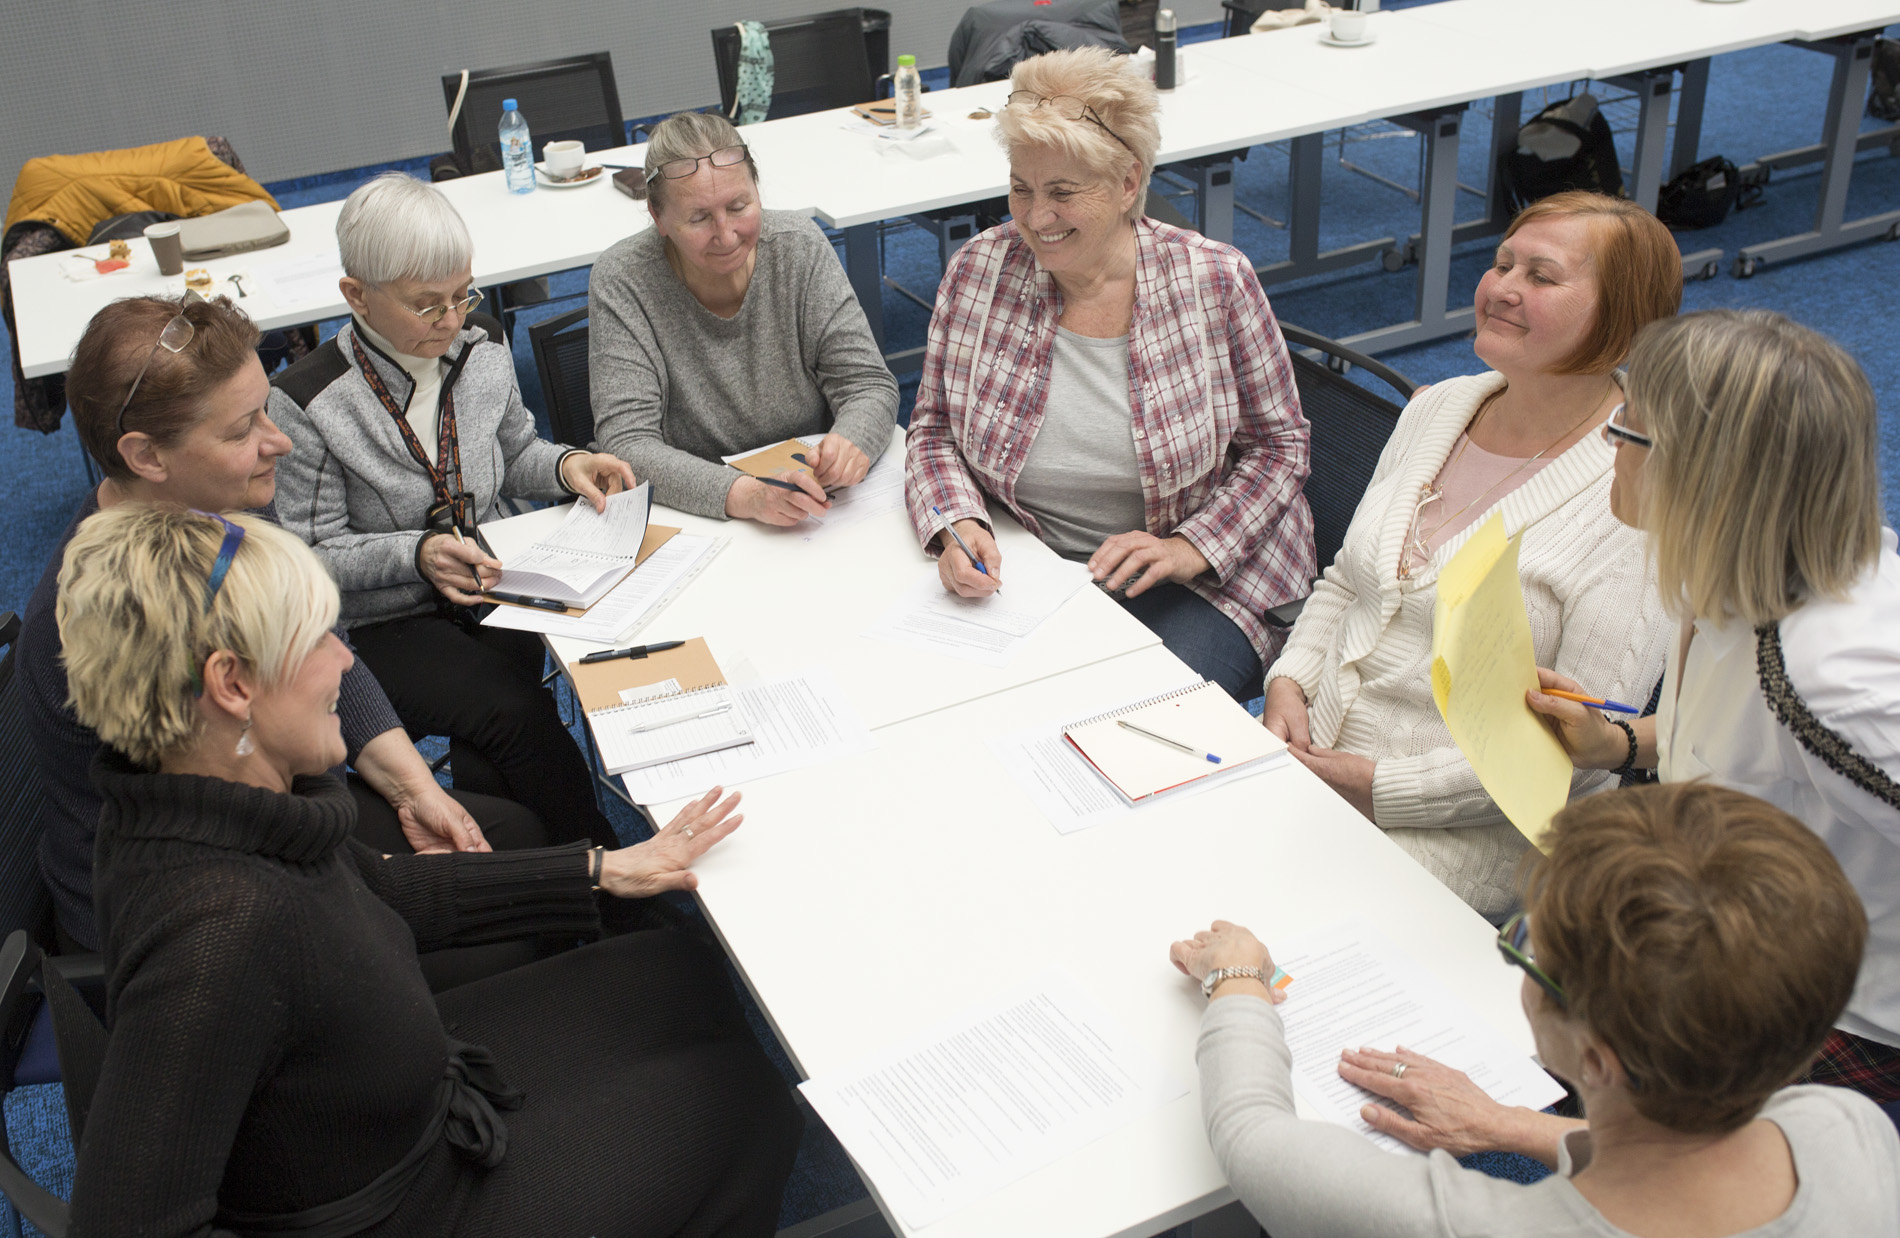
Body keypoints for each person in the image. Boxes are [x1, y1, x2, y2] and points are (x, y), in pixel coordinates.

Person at [58, 503, 800, 1237]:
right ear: (232, 684)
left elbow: (379, 888)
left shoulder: (222, 802)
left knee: (675, 966)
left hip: (405, 1094)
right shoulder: (217, 927)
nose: (345, 661)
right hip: (412, 1200)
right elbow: (126, 1221)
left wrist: (602, 869)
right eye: (317, 640)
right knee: (749, 1103)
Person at [17, 292, 547, 961]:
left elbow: (324, 641)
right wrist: (390, 872)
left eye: (266, 409)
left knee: (514, 842)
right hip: (186, 922)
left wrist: (413, 789)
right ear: (147, 456)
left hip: (269, 818)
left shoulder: (225, 502)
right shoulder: (115, 615)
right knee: (510, 931)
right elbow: (222, 853)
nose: (281, 442)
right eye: (242, 430)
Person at [1170, 782, 1900, 1237]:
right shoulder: (1847, 1129)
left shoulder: (1459, 1223)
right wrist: (1511, 1124)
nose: (1516, 950)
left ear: (1596, 1058)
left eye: (1524, 945)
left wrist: (1236, 975)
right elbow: (1679, 1152)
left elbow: (1252, 1138)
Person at [1262, 191, 1678, 915]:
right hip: (1311, 758)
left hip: (1469, 833)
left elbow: (1575, 758)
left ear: (1622, 316)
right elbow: (1346, 583)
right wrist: (1289, 684)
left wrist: (1379, 788)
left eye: (1541, 277)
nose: (1503, 288)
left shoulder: (1636, 486)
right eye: (1502, 264)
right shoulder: (1441, 407)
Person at [1522, 309, 1900, 1104]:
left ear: (1701, 473)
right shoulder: (1730, 565)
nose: (1609, 444)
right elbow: (1746, 746)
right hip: (1745, 922)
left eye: (1626, 428)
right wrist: (1623, 744)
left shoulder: (1833, 679)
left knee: (1567, 1030)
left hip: (1842, 1006)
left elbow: (1790, 731)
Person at [903, 47, 1314, 701]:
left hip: (1207, 575)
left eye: (1063, 193)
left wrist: (1189, 548)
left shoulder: (1214, 280)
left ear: (1127, 183)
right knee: (950, 702)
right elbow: (933, 430)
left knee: (1126, 717)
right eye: (1021, 188)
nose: (1035, 217)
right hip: (1033, 559)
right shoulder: (980, 269)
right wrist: (958, 523)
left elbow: (1280, 448)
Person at [272, 172, 635, 851]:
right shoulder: (308, 399)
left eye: (463, 294)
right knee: (514, 712)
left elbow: (514, 450)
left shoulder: (481, 345)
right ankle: (602, 870)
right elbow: (306, 557)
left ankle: (525, 878)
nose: (450, 319)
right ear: (356, 296)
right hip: (385, 619)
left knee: (509, 729)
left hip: (493, 582)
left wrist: (566, 466)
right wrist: (415, 553)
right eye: (425, 305)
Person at [589, 110, 899, 526]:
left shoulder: (798, 248)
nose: (726, 234)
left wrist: (851, 441)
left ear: (758, 190)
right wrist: (745, 495)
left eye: (739, 206)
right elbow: (627, 443)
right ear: (658, 218)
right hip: (697, 515)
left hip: (812, 506)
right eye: (699, 218)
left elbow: (867, 383)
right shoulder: (623, 279)